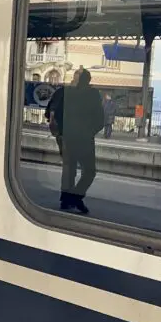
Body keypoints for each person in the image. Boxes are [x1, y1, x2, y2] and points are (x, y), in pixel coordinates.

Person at [56, 68, 104, 214]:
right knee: (89, 171)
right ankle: (76, 196)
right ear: (88, 80)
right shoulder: (93, 94)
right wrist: (90, 131)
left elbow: (57, 112)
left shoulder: (67, 92)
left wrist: (62, 132)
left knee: (69, 169)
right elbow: (100, 118)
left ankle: (66, 198)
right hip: (84, 139)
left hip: (68, 137)